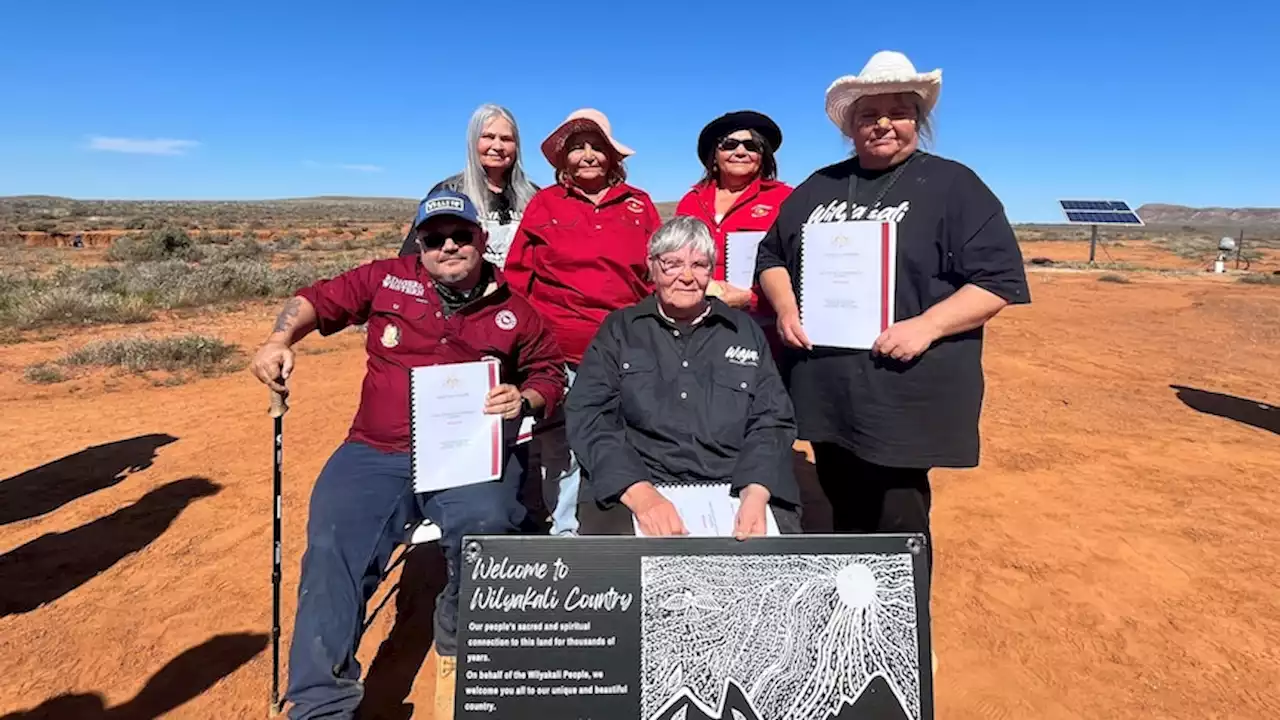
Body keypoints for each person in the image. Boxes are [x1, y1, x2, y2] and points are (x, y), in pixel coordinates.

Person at [250, 188, 566, 719]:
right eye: (435, 237)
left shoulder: (514, 308)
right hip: (378, 448)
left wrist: (525, 397)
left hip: (469, 456)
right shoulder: (384, 279)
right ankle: (321, 702)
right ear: (419, 242)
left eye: (460, 236)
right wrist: (279, 339)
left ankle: (462, 640)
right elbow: (316, 300)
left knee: (488, 526)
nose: (448, 246)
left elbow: (548, 372)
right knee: (333, 544)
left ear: (481, 241)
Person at [755, 50, 1031, 570]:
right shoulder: (819, 187)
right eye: (868, 115)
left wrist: (927, 326)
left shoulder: (954, 186)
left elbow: (997, 282)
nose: (882, 124)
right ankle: (851, 617)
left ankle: (899, 634)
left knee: (898, 517)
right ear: (850, 126)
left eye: (898, 112)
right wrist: (787, 306)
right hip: (829, 385)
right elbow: (772, 256)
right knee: (843, 505)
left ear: (917, 120)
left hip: (905, 387)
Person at [565, 216, 801, 537]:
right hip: (640, 481)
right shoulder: (619, 330)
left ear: (712, 271)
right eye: (672, 264)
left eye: (699, 265)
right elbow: (590, 416)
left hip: (733, 483)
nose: (687, 277)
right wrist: (642, 495)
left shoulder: (743, 330)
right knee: (619, 573)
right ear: (652, 267)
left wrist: (755, 492)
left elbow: (772, 419)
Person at [504, 108, 661, 536]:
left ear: (613, 156)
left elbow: (654, 275)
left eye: (597, 147)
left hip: (625, 347)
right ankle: (566, 534)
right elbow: (518, 278)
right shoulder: (545, 204)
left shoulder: (639, 203)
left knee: (628, 436)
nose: (587, 155)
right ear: (562, 159)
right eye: (576, 148)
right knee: (562, 445)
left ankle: (629, 525)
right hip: (558, 349)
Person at [674, 110, 792, 357]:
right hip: (698, 327)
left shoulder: (785, 199)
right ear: (714, 156)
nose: (740, 152)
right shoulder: (691, 202)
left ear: (763, 156)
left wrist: (751, 299)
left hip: (762, 330)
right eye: (729, 145)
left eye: (751, 146)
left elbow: (797, 266)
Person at [397, 103, 539, 268]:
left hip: (520, 292)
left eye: (506, 139)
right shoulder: (449, 191)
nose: (498, 146)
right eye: (488, 137)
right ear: (473, 142)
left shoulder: (534, 196)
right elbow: (412, 258)